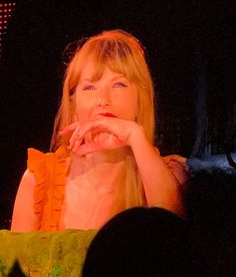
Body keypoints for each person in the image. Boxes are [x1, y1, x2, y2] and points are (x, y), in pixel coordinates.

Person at [11, 29, 188, 231]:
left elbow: (172, 235)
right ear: (73, 103)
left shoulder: (166, 175)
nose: (103, 100)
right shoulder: (38, 180)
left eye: (119, 85)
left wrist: (135, 136)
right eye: (89, 87)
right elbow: (18, 262)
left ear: (140, 101)